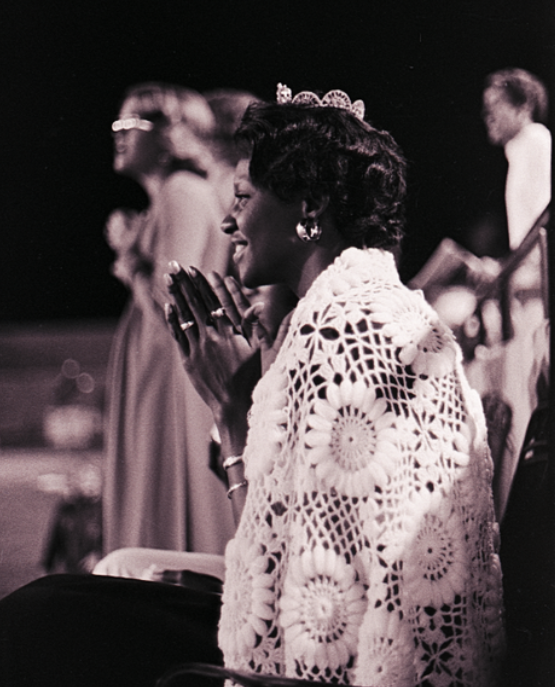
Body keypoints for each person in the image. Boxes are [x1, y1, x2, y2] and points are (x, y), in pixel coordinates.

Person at [0, 84, 504, 687]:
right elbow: (281, 540)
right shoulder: (348, 313)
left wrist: (233, 410)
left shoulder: (345, 336)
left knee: (35, 620)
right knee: (72, 592)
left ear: (309, 209)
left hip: (312, 666)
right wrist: (243, 397)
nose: (227, 220)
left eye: (242, 197)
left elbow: (302, 603)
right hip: (296, 630)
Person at [103, 82, 235, 556]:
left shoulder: (182, 193)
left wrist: (129, 257)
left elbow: (170, 302)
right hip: (158, 369)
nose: (118, 134)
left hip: (169, 377)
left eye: (132, 123)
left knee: (164, 497)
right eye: (117, 122)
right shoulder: (175, 196)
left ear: (169, 134)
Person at [482, 67, 551, 251]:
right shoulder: (518, 150)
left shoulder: (536, 139)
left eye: (496, 103)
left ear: (523, 106)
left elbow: (545, 221)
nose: (488, 115)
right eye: (486, 107)